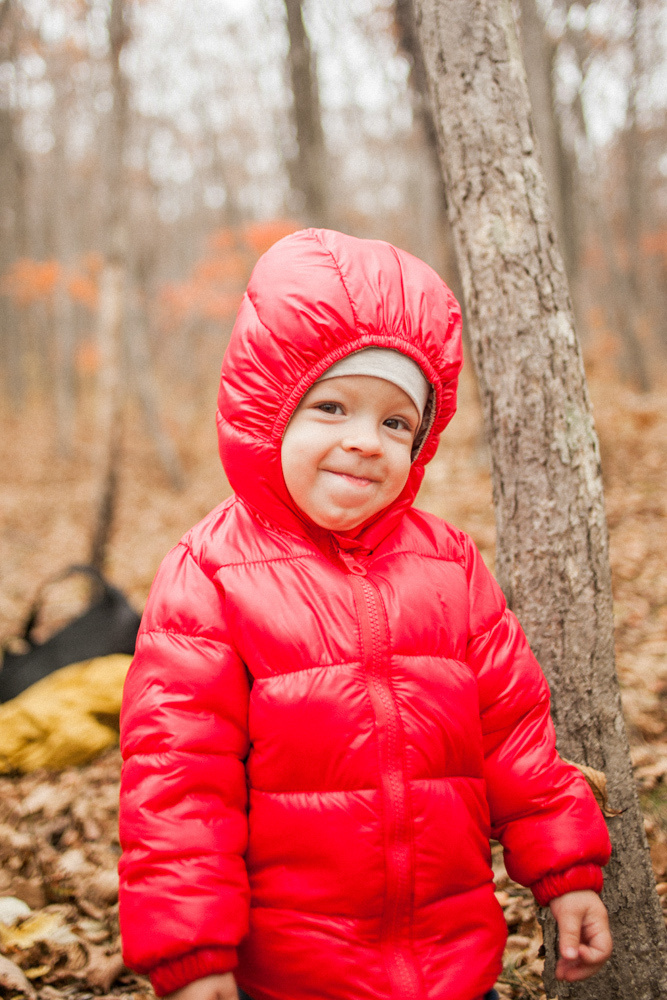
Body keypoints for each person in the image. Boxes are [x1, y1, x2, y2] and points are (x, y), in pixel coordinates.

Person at [118, 229, 612, 1000]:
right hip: (292, 973)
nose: (362, 443)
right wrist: (193, 951)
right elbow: (179, 782)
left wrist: (565, 870)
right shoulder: (210, 572)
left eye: (393, 423)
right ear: (267, 409)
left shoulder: (448, 563)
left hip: (454, 966)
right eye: (332, 406)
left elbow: (515, 736)